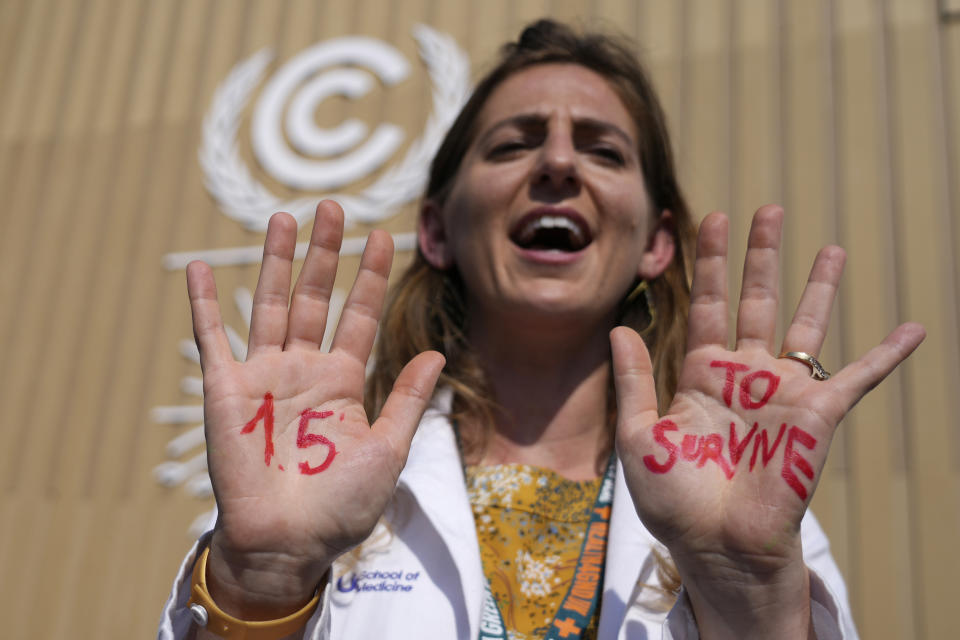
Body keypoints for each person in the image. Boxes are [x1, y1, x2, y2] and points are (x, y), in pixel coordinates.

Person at [159, 19, 924, 640]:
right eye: (514, 143)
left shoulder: (746, 505)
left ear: (656, 243)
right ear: (437, 231)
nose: (558, 162)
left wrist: (749, 596)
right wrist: (262, 584)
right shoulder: (306, 485)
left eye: (602, 150)